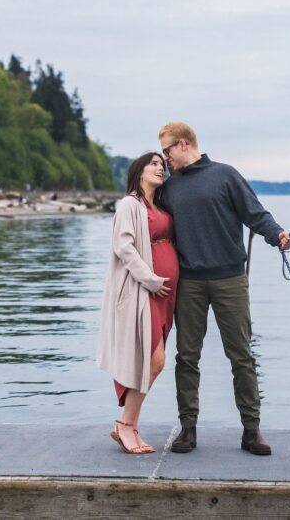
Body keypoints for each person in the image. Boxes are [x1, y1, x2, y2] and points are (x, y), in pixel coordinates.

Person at [158, 121, 290, 456]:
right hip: (188, 281)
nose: (165, 158)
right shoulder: (169, 188)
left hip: (230, 278)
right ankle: (187, 429)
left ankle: (251, 431)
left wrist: (277, 235)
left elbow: (255, 214)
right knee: (186, 357)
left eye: (167, 150)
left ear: (184, 143)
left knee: (241, 356)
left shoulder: (225, 175)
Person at [97, 152, 179, 454]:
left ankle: (129, 426)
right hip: (144, 292)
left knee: (151, 362)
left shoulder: (159, 205)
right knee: (153, 361)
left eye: (162, 165)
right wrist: (151, 279)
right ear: (139, 170)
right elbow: (124, 246)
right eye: (153, 163)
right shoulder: (130, 204)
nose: (160, 168)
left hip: (165, 296)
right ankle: (125, 425)